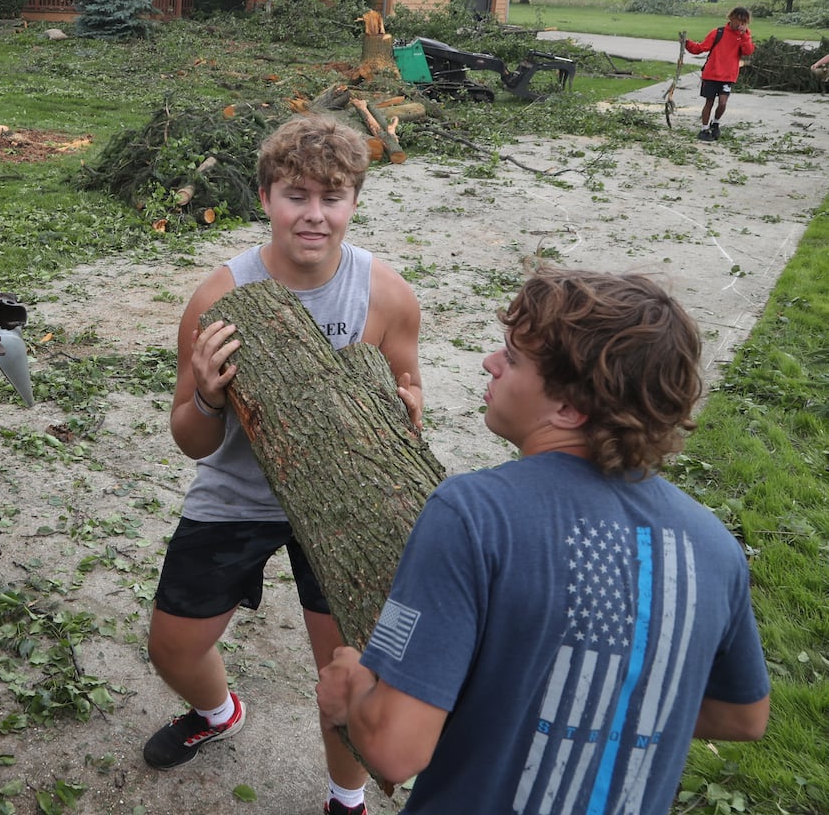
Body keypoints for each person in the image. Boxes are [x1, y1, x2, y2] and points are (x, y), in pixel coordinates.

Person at [316, 268, 771, 815]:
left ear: (569, 408)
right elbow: (743, 713)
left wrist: (352, 693)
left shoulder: (474, 516)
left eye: (513, 357)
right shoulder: (713, 546)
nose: (491, 363)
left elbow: (394, 748)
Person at [144, 113, 424, 815]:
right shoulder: (217, 299)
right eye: (297, 195)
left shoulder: (385, 295)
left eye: (333, 197)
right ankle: (218, 713)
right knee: (172, 648)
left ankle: (345, 797)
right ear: (266, 197)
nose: (315, 215)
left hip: (345, 499)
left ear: (354, 202)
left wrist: (407, 406)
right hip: (241, 492)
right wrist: (208, 397)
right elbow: (190, 439)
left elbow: (410, 388)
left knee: (345, 670)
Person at [683, 7, 754, 142]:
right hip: (711, 74)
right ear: (731, 18)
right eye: (737, 21)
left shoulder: (743, 36)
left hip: (728, 76)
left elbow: (748, 51)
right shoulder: (718, 32)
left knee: (722, 103)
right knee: (709, 102)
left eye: (743, 22)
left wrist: (745, 35)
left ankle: (715, 123)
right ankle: (704, 129)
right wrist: (687, 44)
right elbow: (701, 48)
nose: (739, 24)